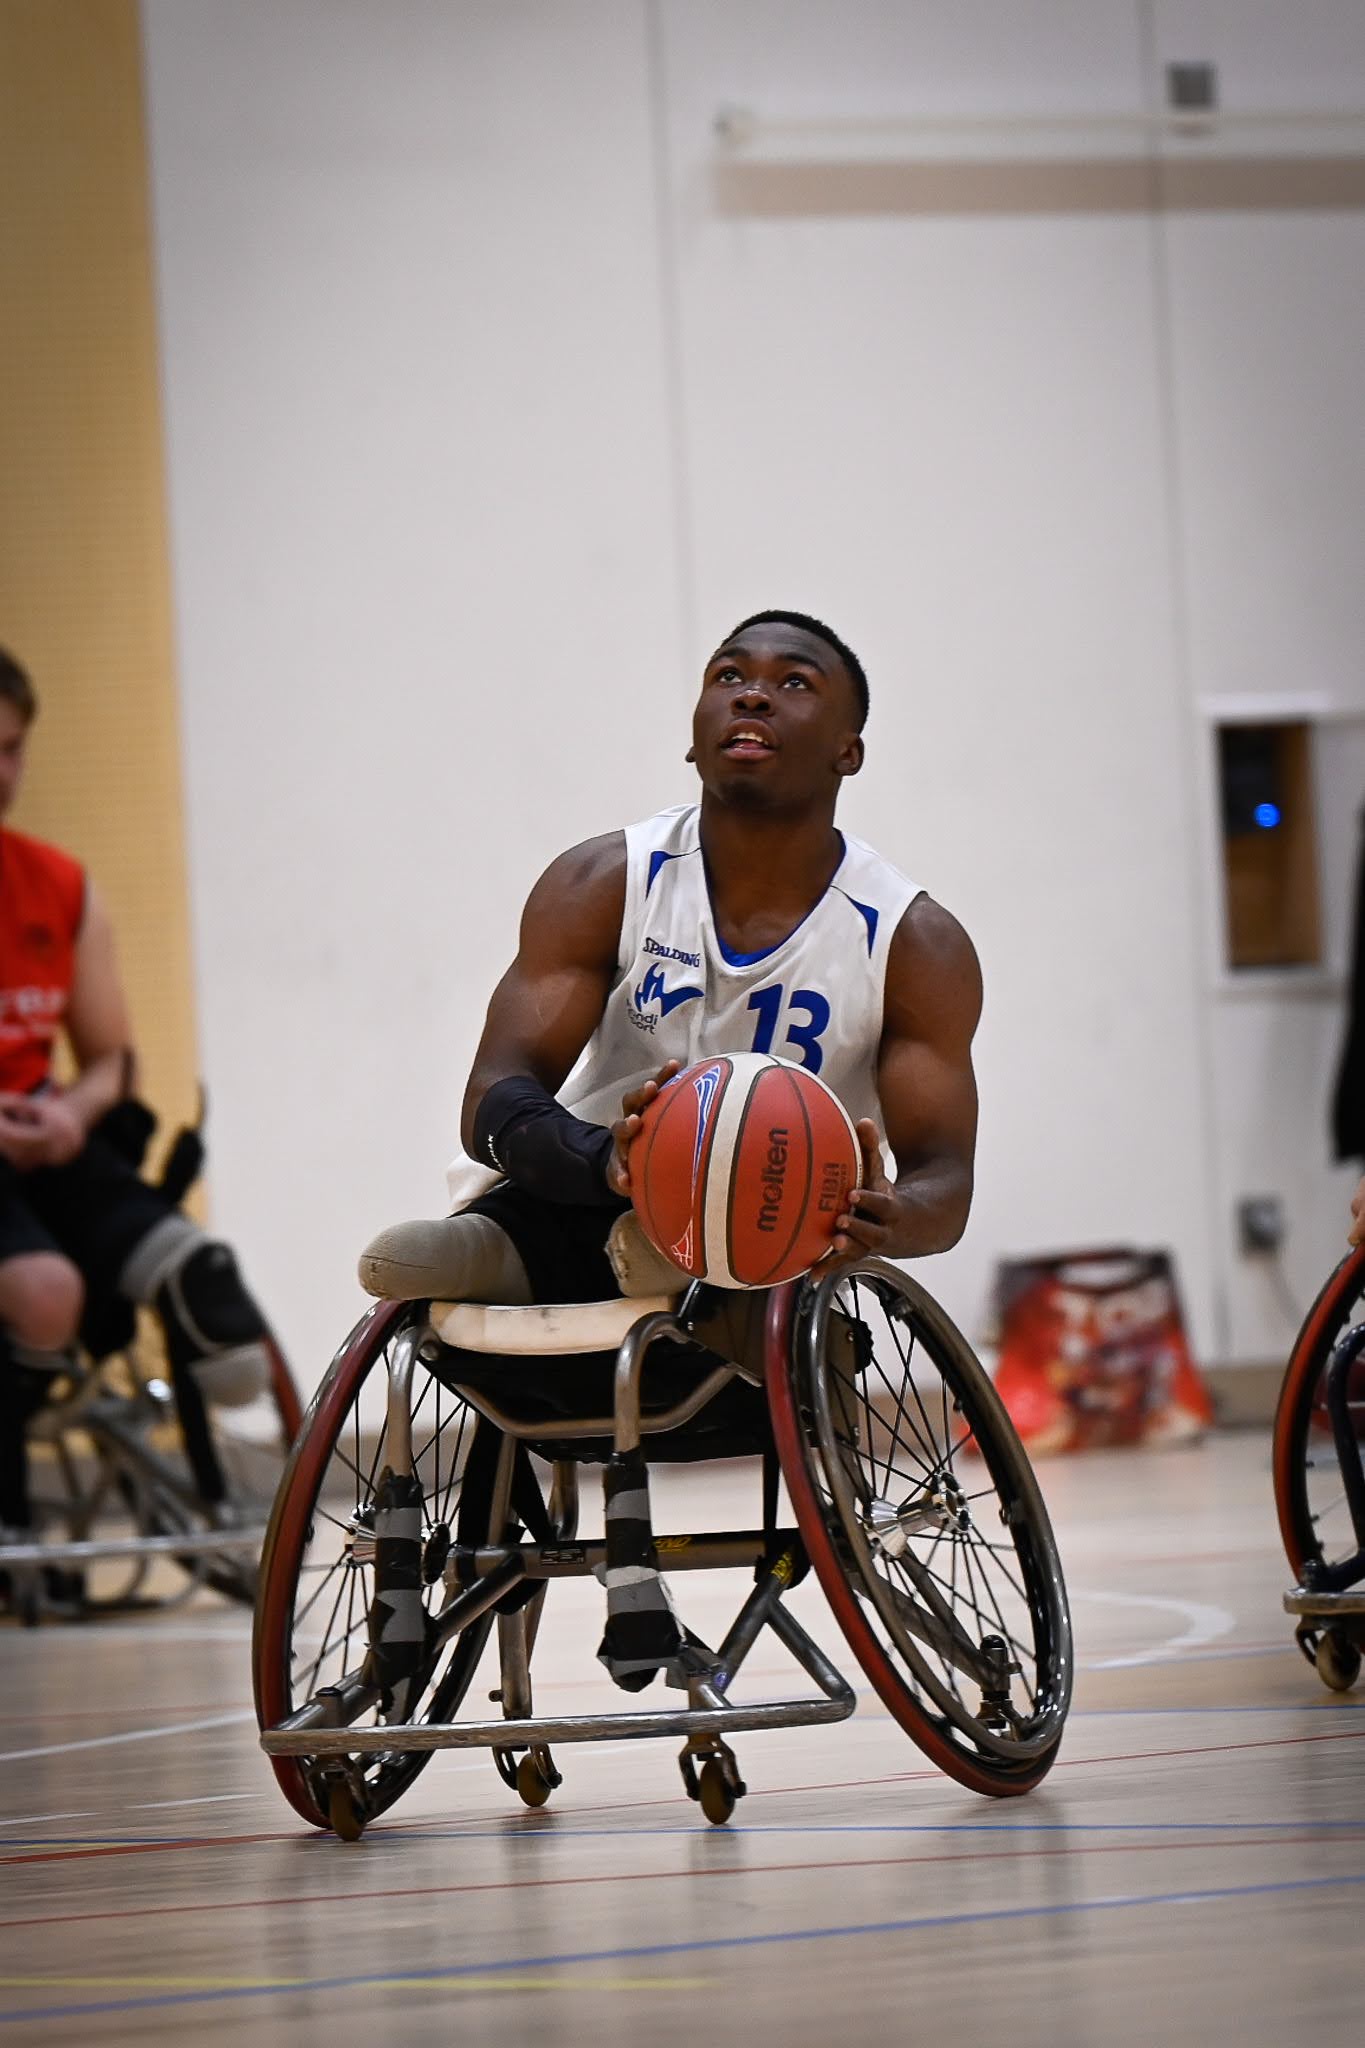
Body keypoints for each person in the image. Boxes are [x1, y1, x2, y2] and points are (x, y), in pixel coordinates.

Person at [359, 607, 981, 1322]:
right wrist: (610, 1160)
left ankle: (681, 1261)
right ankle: (512, 1250)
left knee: (742, 1227)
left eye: (795, 682)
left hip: (779, 1234)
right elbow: (493, 1097)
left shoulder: (912, 944)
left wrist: (890, 1214)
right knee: (458, 1246)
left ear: (848, 751)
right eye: (728, 675)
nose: (751, 694)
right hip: (581, 1195)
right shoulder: (601, 882)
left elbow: (946, 1181)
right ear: (694, 738)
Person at [0, 645, 271, 1541]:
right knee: (42, 1293)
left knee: (209, 1294)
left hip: (46, 1142)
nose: (2, 772)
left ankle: (258, 1509)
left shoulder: (56, 885)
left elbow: (112, 1058)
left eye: (12, 749)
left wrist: (70, 1112)